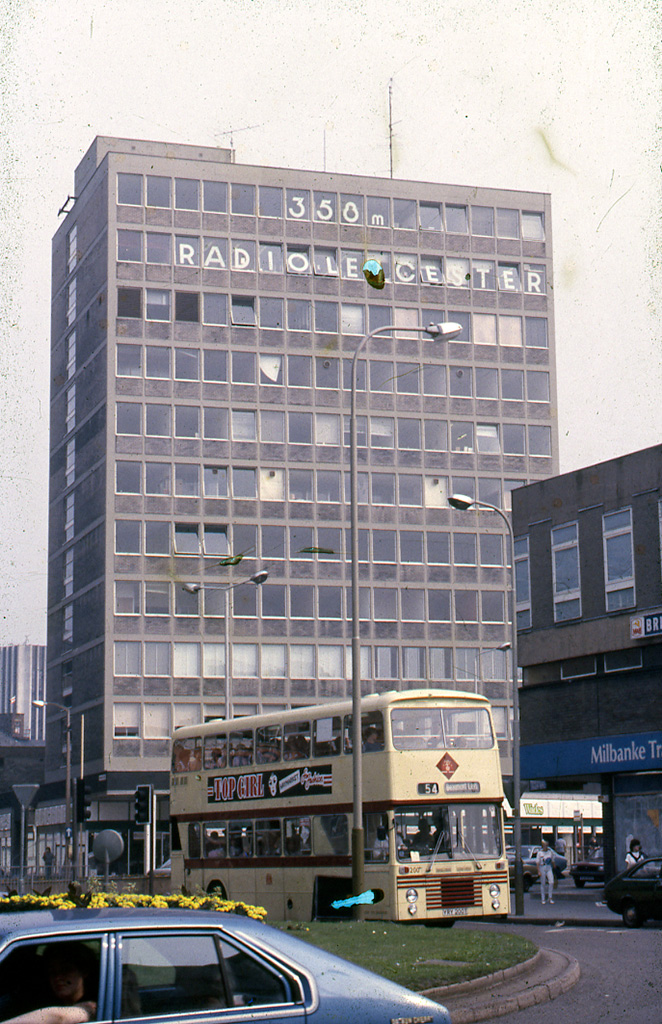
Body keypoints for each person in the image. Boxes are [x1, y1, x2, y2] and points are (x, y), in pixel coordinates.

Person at [4, 941, 98, 1024]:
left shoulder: (94, 1006)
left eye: (66, 970)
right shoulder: (42, 1003)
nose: (58, 977)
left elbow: (59, 1018)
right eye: (52, 972)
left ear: (84, 971)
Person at [536, 839, 555, 904]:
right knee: (543, 883)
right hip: (542, 867)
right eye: (544, 845)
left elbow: (552, 860)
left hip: (549, 867)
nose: (545, 846)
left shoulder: (550, 852)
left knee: (551, 882)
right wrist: (538, 871)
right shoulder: (539, 853)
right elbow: (537, 862)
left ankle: (550, 897)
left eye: (546, 845)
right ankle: (543, 898)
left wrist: (554, 867)